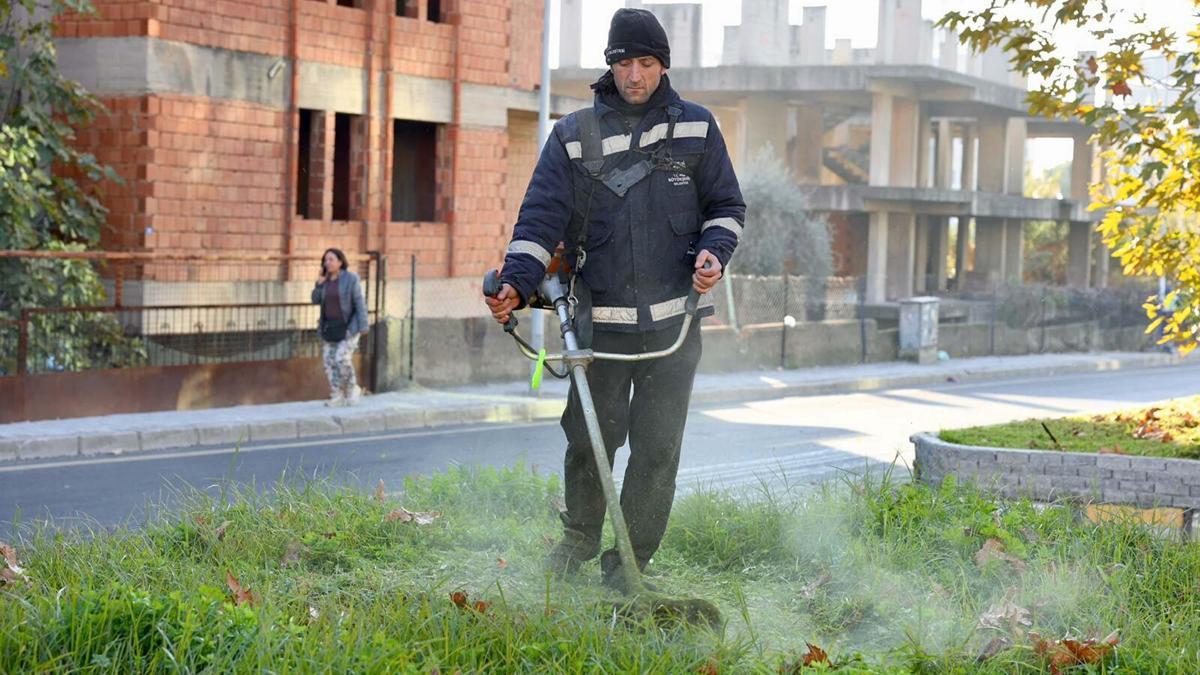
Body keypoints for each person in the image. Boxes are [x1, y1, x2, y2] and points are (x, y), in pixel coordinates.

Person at [485, 8, 745, 591]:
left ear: (663, 66)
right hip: (597, 330)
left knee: (657, 452)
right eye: (624, 63)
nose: (634, 75)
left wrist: (714, 252)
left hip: (674, 331)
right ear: (610, 65)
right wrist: (515, 281)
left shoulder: (698, 129)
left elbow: (727, 207)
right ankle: (579, 539)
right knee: (589, 441)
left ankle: (629, 565)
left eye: (646, 63)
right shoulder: (573, 135)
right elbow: (539, 219)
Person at [313, 248, 369, 407]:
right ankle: (337, 395)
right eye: (325, 260)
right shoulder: (324, 281)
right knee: (328, 362)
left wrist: (363, 324)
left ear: (340, 262)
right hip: (330, 328)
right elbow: (315, 300)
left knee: (341, 358)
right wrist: (319, 284)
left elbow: (359, 302)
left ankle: (352, 389)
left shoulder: (351, 279)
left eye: (331, 259)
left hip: (349, 327)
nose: (327, 263)